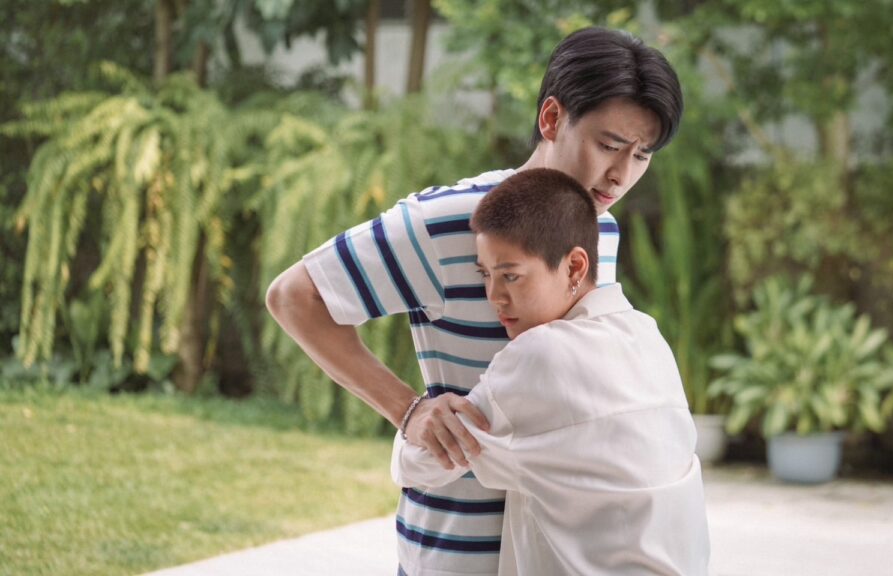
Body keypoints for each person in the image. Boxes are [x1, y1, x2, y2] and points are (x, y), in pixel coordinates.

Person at [266, 27, 684, 576]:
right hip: (457, 547)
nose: (621, 175)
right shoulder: (445, 222)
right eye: (609, 145)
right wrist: (408, 411)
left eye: (641, 155)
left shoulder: (599, 230)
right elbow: (294, 297)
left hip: (560, 553)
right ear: (552, 118)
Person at [392, 168, 710, 575]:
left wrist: (415, 417)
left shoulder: (540, 354)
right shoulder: (647, 336)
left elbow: (421, 463)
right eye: (484, 275)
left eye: (511, 275)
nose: (494, 296)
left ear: (575, 267)